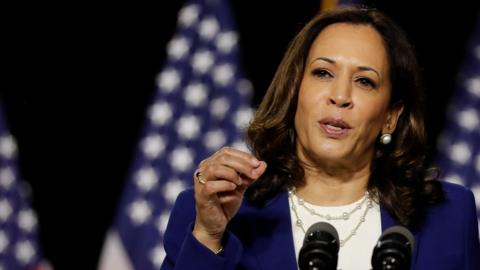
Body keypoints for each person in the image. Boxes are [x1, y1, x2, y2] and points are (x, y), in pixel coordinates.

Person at [160, 6, 480, 270]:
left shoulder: (449, 214)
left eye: (365, 81)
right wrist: (209, 235)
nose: (340, 96)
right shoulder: (210, 214)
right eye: (323, 73)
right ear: (295, 91)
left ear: (390, 116)